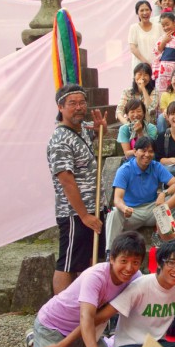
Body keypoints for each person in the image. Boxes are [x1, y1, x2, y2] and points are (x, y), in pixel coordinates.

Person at [28, 231, 145, 347]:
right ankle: (35, 342)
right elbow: (87, 317)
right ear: (111, 258)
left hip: (85, 330)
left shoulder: (136, 278)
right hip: (53, 326)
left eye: (135, 262)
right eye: (123, 261)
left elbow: (154, 286)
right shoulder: (95, 276)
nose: (129, 268)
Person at [47, 84, 108, 294]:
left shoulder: (80, 130)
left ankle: (82, 310)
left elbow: (96, 138)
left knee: (86, 262)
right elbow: (66, 181)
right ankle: (60, 313)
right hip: (75, 213)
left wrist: (102, 129)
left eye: (82, 102)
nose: (79, 107)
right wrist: (84, 216)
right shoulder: (60, 139)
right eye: (72, 103)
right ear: (60, 107)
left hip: (94, 207)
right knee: (68, 263)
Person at [105, 137, 175, 251]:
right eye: (143, 150)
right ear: (135, 152)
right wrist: (124, 208)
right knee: (114, 212)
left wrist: (164, 193)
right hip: (132, 212)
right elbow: (117, 199)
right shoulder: (125, 169)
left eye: (150, 151)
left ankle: (167, 236)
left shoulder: (156, 166)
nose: (147, 154)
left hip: (153, 209)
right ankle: (110, 251)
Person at [128, 0, 162, 72]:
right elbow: (132, 48)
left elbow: (162, 45)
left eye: (147, 10)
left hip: (156, 66)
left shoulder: (159, 27)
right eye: (142, 10)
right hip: (139, 66)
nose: (145, 13)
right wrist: (145, 62)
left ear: (151, 11)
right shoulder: (134, 28)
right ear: (137, 13)